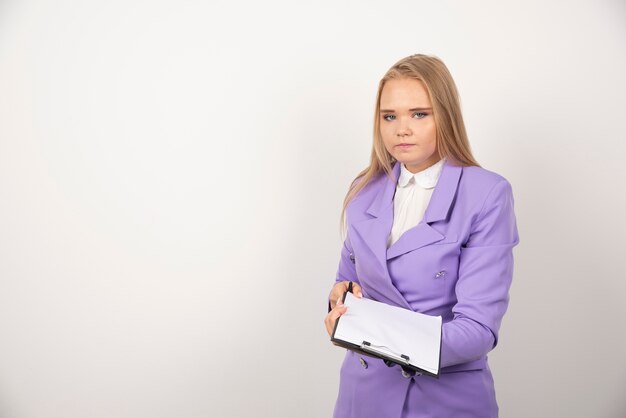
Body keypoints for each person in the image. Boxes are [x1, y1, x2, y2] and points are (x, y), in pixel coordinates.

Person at [323, 54, 519, 418]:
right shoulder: (365, 189)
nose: (402, 129)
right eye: (389, 116)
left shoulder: (487, 193)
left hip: (444, 401)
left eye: (419, 114)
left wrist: (374, 333)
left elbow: (478, 330)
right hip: (362, 396)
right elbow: (346, 281)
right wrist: (340, 303)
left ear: (445, 116)